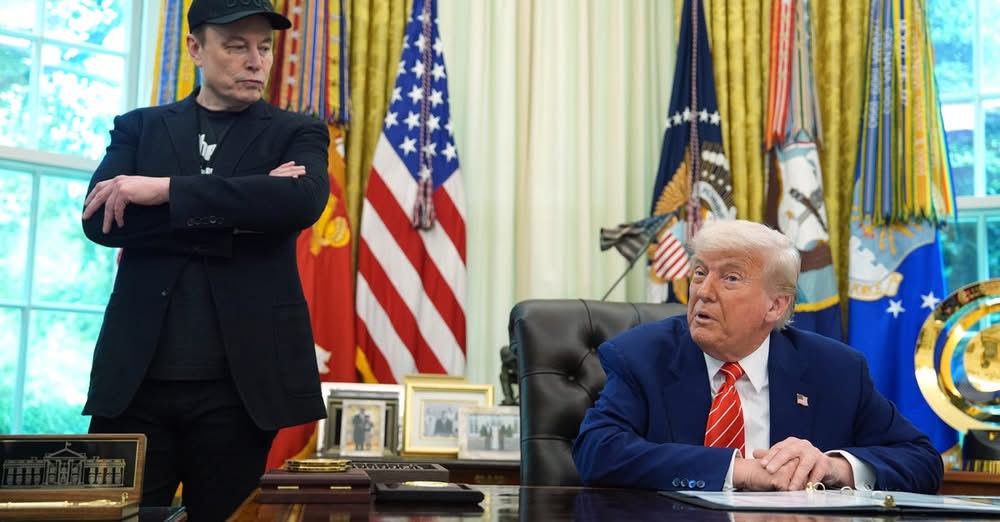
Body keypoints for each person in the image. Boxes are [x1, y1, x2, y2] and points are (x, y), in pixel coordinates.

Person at [80, 0, 330, 519]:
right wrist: (247, 204)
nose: (256, 61)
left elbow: (300, 203)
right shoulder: (138, 128)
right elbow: (101, 221)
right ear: (196, 48)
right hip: (135, 381)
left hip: (243, 386)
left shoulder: (296, 132)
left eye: (264, 47)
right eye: (237, 46)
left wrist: (165, 190)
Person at [572, 219, 943, 493]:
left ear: (775, 305)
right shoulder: (642, 355)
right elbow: (597, 452)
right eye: (699, 272)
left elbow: (922, 460)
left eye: (730, 278)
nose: (703, 291)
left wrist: (832, 468)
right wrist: (739, 471)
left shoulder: (836, 370)